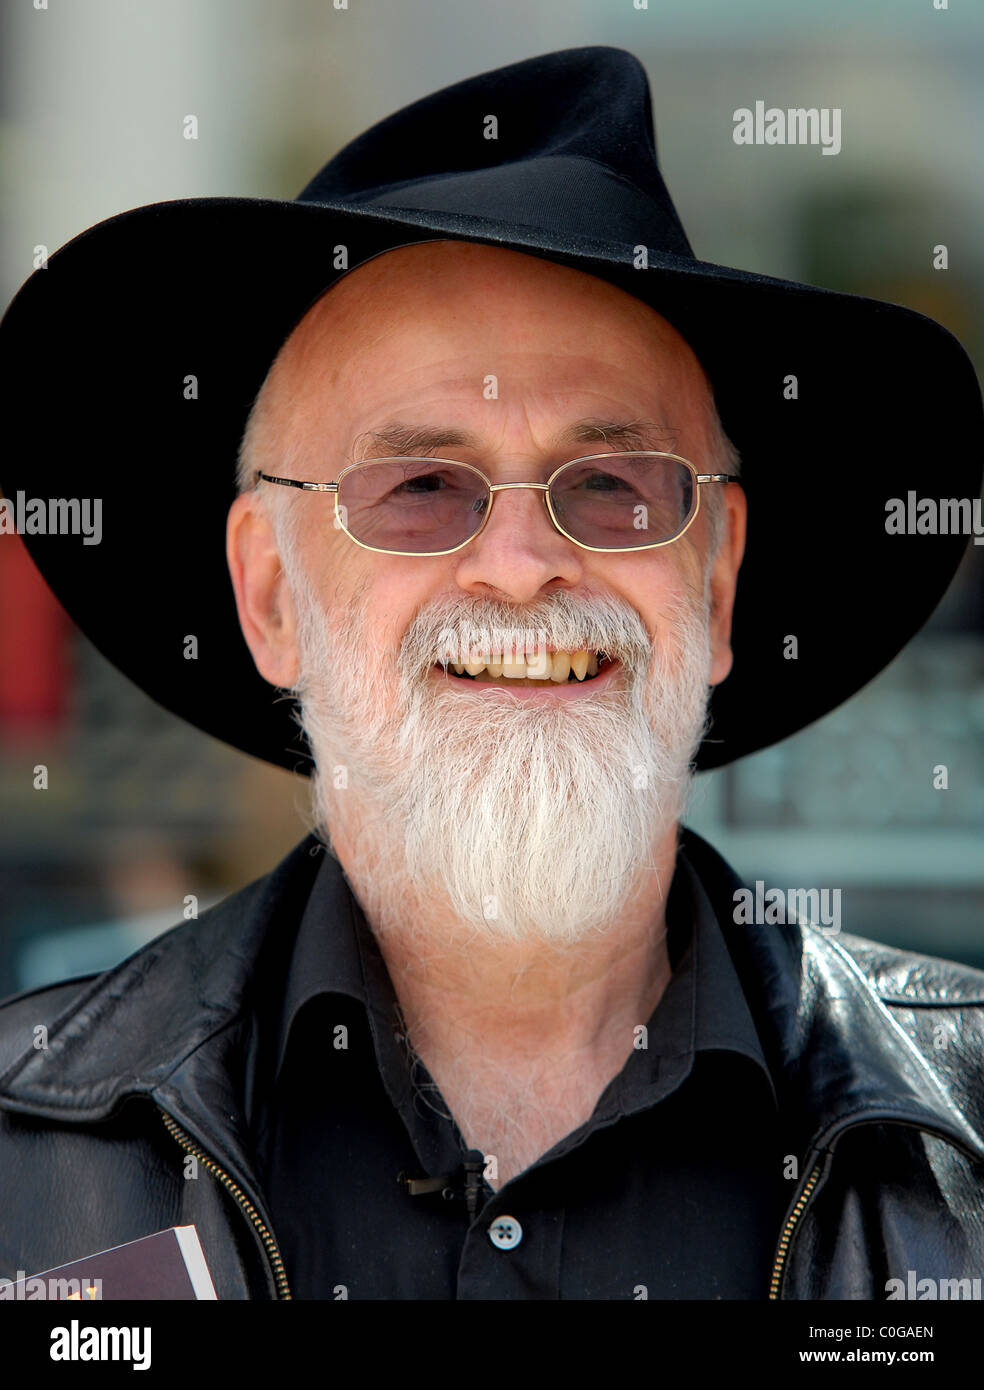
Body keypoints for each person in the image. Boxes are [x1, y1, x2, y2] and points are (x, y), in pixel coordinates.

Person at [0, 46, 982, 1302]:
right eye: (419, 489)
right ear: (266, 595)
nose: (520, 566)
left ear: (720, 579)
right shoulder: (29, 1148)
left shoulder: (965, 1131)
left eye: (614, 487)